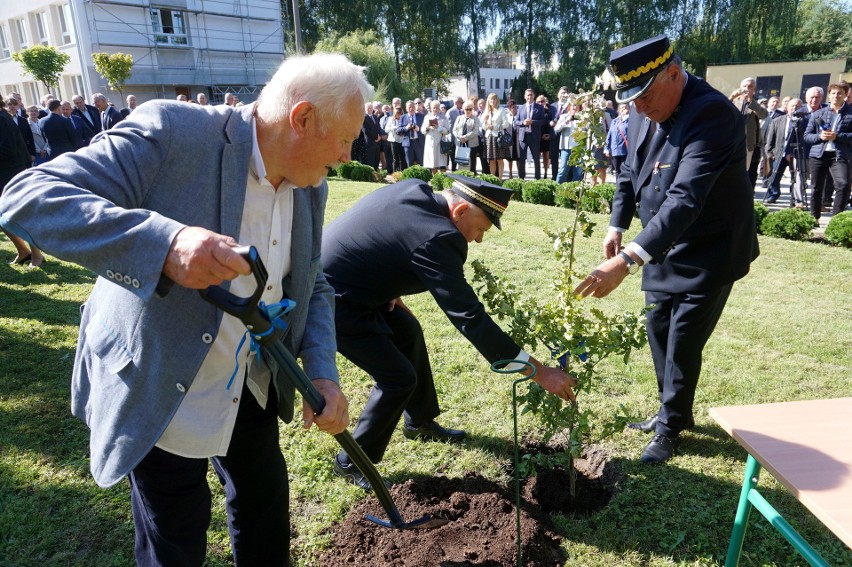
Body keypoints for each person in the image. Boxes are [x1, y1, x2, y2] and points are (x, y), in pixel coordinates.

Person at [0, 53, 371, 565]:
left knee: (265, 516)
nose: (349, 154)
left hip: (253, 384)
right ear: (302, 118)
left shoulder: (312, 185)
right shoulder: (172, 131)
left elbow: (315, 282)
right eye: (346, 138)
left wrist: (324, 373)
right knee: (175, 539)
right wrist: (165, 244)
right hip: (163, 383)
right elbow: (26, 197)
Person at [322, 174, 577, 490]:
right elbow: (470, 318)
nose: (479, 239)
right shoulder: (439, 237)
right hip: (332, 301)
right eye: (481, 229)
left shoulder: (414, 189)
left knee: (408, 330)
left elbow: (386, 241)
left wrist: (387, 287)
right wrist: (538, 372)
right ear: (459, 212)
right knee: (398, 378)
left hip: (350, 284)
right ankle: (352, 462)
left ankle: (420, 423)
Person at [573, 35, 759, 464]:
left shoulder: (713, 113)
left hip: (708, 249)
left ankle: (671, 425)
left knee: (683, 338)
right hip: (658, 244)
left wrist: (627, 260)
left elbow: (686, 199)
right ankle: (670, 410)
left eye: (644, 95)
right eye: (630, 99)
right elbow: (628, 172)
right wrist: (617, 224)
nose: (637, 107)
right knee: (658, 330)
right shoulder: (642, 109)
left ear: (673, 73)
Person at [0, 96, 42, 267]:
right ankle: (23, 251)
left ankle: (37, 255)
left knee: (20, 213)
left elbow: (7, 149)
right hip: (5, 172)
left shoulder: (3, 119)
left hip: (9, 172)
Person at [804, 82, 851, 220]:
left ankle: (837, 220)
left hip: (839, 154)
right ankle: (814, 218)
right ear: (829, 95)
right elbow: (807, 136)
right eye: (833, 93)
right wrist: (820, 136)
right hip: (818, 155)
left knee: (843, 184)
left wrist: (837, 136)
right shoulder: (818, 113)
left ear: (845, 95)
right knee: (816, 188)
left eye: (840, 93)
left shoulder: (850, 112)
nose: (836, 96)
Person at [764, 98, 807, 207]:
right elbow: (770, 138)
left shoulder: (804, 121)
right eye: (792, 106)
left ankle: (794, 198)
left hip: (794, 155)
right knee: (773, 176)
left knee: (795, 178)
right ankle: (773, 195)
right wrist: (770, 153)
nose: (794, 108)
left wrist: (794, 153)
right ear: (787, 107)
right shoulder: (778, 120)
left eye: (797, 106)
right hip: (778, 153)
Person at [729, 77, 768, 189]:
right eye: (744, 86)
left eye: (750, 86)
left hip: (748, 143)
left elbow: (763, 115)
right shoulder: (734, 101)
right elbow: (721, 111)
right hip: (732, 141)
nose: (747, 89)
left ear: (754, 89)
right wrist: (731, 97)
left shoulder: (758, 102)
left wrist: (751, 101)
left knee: (746, 171)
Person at [515, 89, 545, 179]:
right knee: (522, 159)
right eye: (527, 95)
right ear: (525, 96)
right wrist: (523, 123)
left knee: (536, 158)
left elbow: (543, 121)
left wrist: (532, 122)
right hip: (523, 136)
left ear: (534, 96)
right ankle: (521, 178)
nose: (529, 97)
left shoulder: (539, 108)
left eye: (531, 95)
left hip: (534, 136)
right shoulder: (521, 108)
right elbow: (516, 121)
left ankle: (537, 178)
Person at [481, 93, 511, 179]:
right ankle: (493, 178)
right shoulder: (487, 111)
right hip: (489, 137)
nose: (492, 101)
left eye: (494, 99)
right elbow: (483, 126)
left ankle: (500, 178)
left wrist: (495, 127)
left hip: (498, 137)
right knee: (491, 160)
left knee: (499, 159)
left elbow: (506, 124)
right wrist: (486, 123)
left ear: (497, 100)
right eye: (491, 99)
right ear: (488, 101)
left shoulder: (501, 110)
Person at [452, 101, 481, 171]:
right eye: (466, 109)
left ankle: (471, 178)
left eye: (470, 109)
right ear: (463, 109)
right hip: (460, 143)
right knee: (461, 163)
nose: (468, 111)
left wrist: (465, 137)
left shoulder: (475, 119)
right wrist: (460, 137)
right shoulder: (459, 118)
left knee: (472, 165)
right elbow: (454, 130)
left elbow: (475, 131)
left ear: (472, 109)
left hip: (472, 144)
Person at [422, 100, 449, 174]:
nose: (435, 109)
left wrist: (438, 128)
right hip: (430, 143)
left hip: (440, 143)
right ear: (431, 108)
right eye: (434, 108)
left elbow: (447, 131)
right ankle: (434, 180)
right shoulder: (427, 117)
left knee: (441, 163)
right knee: (432, 163)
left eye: (437, 108)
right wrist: (427, 127)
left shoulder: (443, 117)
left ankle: (442, 179)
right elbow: (422, 130)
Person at [604, 103, 629, 176]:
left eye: (625, 107)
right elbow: (610, 135)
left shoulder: (630, 120)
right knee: (617, 171)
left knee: (625, 171)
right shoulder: (614, 121)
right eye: (621, 107)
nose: (623, 108)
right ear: (618, 110)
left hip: (626, 150)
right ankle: (619, 186)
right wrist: (606, 148)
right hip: (615, 150)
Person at [384, 106, 407, 172]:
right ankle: (395, 173)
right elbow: (386, 130)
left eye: (400, 113)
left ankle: (403, 172)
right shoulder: (391, 119)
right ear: (394, 113)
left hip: (402, 140)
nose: (399, 115)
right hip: (393, 140)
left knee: (402, 157)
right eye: (397, 113)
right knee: (395, 158)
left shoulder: (403, 119)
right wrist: (393, 127)